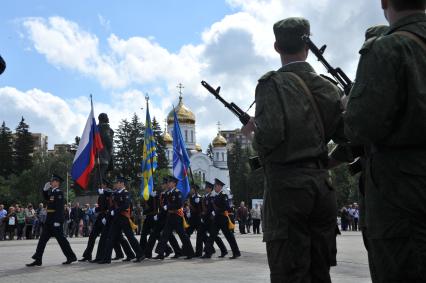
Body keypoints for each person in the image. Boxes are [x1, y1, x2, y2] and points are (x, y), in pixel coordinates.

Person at [241, 17, 345, 282]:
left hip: (287, 190)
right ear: (307, 44)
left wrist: (253, 134)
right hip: (322, 187)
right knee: (319, 270)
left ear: (277, 47)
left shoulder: (271, 85)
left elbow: (269, 138)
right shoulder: (327, 87)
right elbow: (349, 138)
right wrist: (326, 164)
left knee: (289, 272)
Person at [345, 1, 426, 281]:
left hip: (400, 190)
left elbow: (361, 127)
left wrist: (349, 104)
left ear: (384, 2)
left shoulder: (387, 48)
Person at [26, 174, 77, 266]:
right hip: (49, 220)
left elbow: (60, 208)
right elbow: (47, 198)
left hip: (55, 221)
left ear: (57, 183)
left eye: (52, 181)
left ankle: (71, 257)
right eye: (51, 180)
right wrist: (44, 190)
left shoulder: (59, 193)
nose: (51, 182)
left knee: (62, 241)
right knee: (42, 240)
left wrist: (57, 221)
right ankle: (38, 259)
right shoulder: (52, 192)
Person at [98, 176, 144, 263]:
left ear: (122, 184)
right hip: (116, 219)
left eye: (117, 183)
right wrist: (109, 215)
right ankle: (106, 258)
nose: (116, 184)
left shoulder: (125, 193)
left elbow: (126, 205)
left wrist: (115, 211)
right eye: (116, 183)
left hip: (124, 218)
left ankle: (140, 254)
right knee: (110, 237)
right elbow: (112, 205)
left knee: (130, 237)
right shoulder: (116, 193)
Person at [153, 176, 195, 260]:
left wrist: (168, 206)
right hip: (170, 216)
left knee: (183, 235)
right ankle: (160, 253)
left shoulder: (177, 192)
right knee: (164, 235)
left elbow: (179, 204)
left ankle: (190, 253)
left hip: (177, 217)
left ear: (174, 184)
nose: (168, 183)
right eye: (168, 182)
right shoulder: (168, 193)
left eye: (170, 182)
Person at [203, 178, 241, 259]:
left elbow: (226, 207)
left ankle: (236, 252)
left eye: (216, 186)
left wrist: (216, 211)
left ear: (220, 186)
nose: (215, 187)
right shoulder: (215, 196)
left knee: (229, 237)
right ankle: (208, 253)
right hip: (217, 219)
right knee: (212, 236)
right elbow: (211, 207)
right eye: (214, 186)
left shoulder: (223, 195)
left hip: (223, 219)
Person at [145, 177, 181, 259]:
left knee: (167, 236)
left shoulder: (168, 194)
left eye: (164, 184)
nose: (162, 185)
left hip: (166, 217)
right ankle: (149, 253)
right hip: (161, 217)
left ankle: (175, 251)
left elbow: (168, 207)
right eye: (163, 183)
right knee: (155, 234)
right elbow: (154, 205)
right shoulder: (161, 194)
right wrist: (152, 197)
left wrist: (159, 214)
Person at [200, 181, 228, 258]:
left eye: (206, 187)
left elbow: (211, 209)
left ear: (210, 189)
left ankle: (210, 252)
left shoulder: (212, 196)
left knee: (213, 236)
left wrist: (208, 214)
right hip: (206, 219)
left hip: (211, 219)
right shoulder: (205, 197)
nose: (205, 189)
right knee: (210, 236)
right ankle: (218, 250)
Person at [185, 184, 204, 257]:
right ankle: (185, 250)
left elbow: (199, 210)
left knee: (200, 236)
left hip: (198, 219)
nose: (191, 190)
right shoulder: (190, 197)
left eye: (192, 189)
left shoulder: (199, 198)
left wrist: (198, 202)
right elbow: (189, 207)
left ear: (195, 190)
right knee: (186, 233)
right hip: (192, 219)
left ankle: (199, 252)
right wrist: (189, 212)